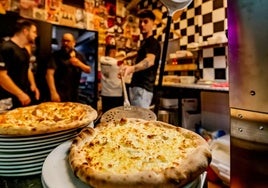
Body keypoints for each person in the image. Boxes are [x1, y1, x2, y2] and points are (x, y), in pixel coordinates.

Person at [120, 9, 161, 108]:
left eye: (145, 21)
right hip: (138, 88)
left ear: (153, 23)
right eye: (140, 22)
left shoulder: (153, 42)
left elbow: (150, 61)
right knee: (135, 119)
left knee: (139, 121)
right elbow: (138, 53)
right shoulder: (145, 43)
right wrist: (124, 57)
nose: (142, 24)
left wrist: (131, 68)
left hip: (143, 89)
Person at [0, 19, 40, 109]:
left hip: (20, 97)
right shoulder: (5, 48)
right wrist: (20, 93)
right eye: (34, 32)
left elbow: (27, 68)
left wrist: (33, 85)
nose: (36, 35)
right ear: (25, 31)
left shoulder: (24, 51)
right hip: (6, 98)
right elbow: (1, 76)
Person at [46, 33, 91, 102]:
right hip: (60, 93)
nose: (65, 43)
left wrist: (79, 64)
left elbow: (88, 70)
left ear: (74, 43)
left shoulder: (79, 56)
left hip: (74, 93)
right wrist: (53, 93)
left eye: (68, 41)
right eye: (63, 41)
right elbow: (49, 74)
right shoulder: (56, 55)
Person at [100, 45, 124, 113]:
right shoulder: (117, 63)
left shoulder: (101, 60)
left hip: (105, 92)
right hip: (116, 93)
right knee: (116, 115)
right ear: (113, 51)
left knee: (106, 113)